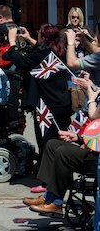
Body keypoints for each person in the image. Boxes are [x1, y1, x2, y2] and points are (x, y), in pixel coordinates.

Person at [21, 71, 100, 215]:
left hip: (97, 157)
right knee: (52, 145)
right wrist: (78, 137)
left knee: (64, 153)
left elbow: (94, 115)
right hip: (94, 147)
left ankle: (57, 203)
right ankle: (48, 196)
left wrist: (91, 96)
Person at [6, 24, 71, 153]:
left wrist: (12, 42)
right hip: (62, 103)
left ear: (43, 38)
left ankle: (46, 169)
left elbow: (22, 61)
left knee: (45, 142)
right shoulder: (60, 51)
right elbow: (42, 51)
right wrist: (29, 39)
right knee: (61, 140)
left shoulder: (41, 55)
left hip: (47, 107)